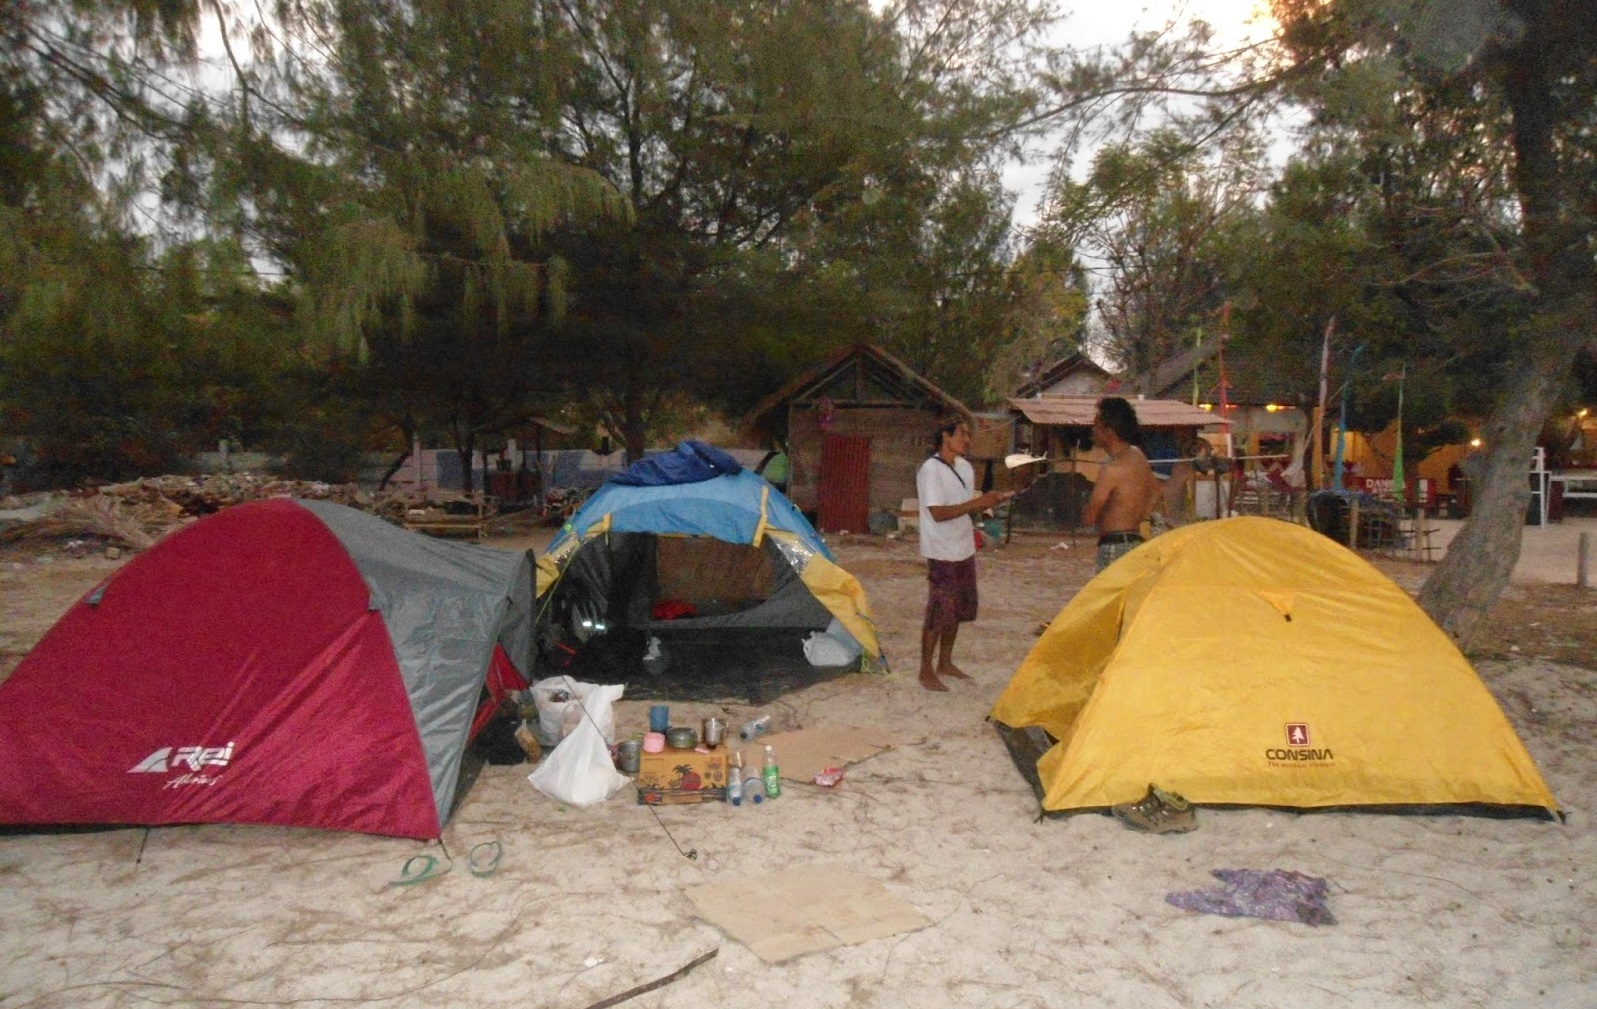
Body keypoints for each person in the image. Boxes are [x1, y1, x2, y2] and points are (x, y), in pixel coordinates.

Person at [916, 416, 1013, 692]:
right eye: (962, 434)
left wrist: (991, 501)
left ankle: (945, 662)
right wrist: (979, 502)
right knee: (938, 609)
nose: (967, 439)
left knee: (958, 608)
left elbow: (964, 507)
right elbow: (938, 512)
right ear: (945, 437)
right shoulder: (930, 470)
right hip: (941, 549)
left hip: (963, 547)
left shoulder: (966, 468)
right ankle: (926, 669)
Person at [1083, 397, 1163, 571]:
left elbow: (1089, 517)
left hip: (1114, 545)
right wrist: (1139, 516)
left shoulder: (1111, 469)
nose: (1093, 430)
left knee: (1109, 597)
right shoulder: (1137, 454)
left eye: (1096, 425)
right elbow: (1157, 492)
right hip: (1134, 541)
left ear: (1108, 431)